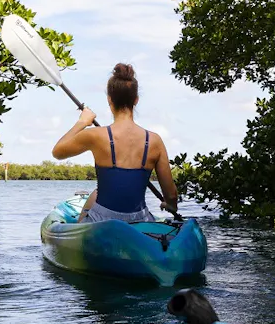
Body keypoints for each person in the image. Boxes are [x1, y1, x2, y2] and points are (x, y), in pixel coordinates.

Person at [51, 63, 179, 223]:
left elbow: (57, 152)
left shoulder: (96, 136)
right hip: (140, 219)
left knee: (96, 194)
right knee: (95, 195)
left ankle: (79, 230)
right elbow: (171, 195)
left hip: (102, 220)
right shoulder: (154, 140)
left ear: (109, 99)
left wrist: (82, 122)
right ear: (136, 100)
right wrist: (170, 205)